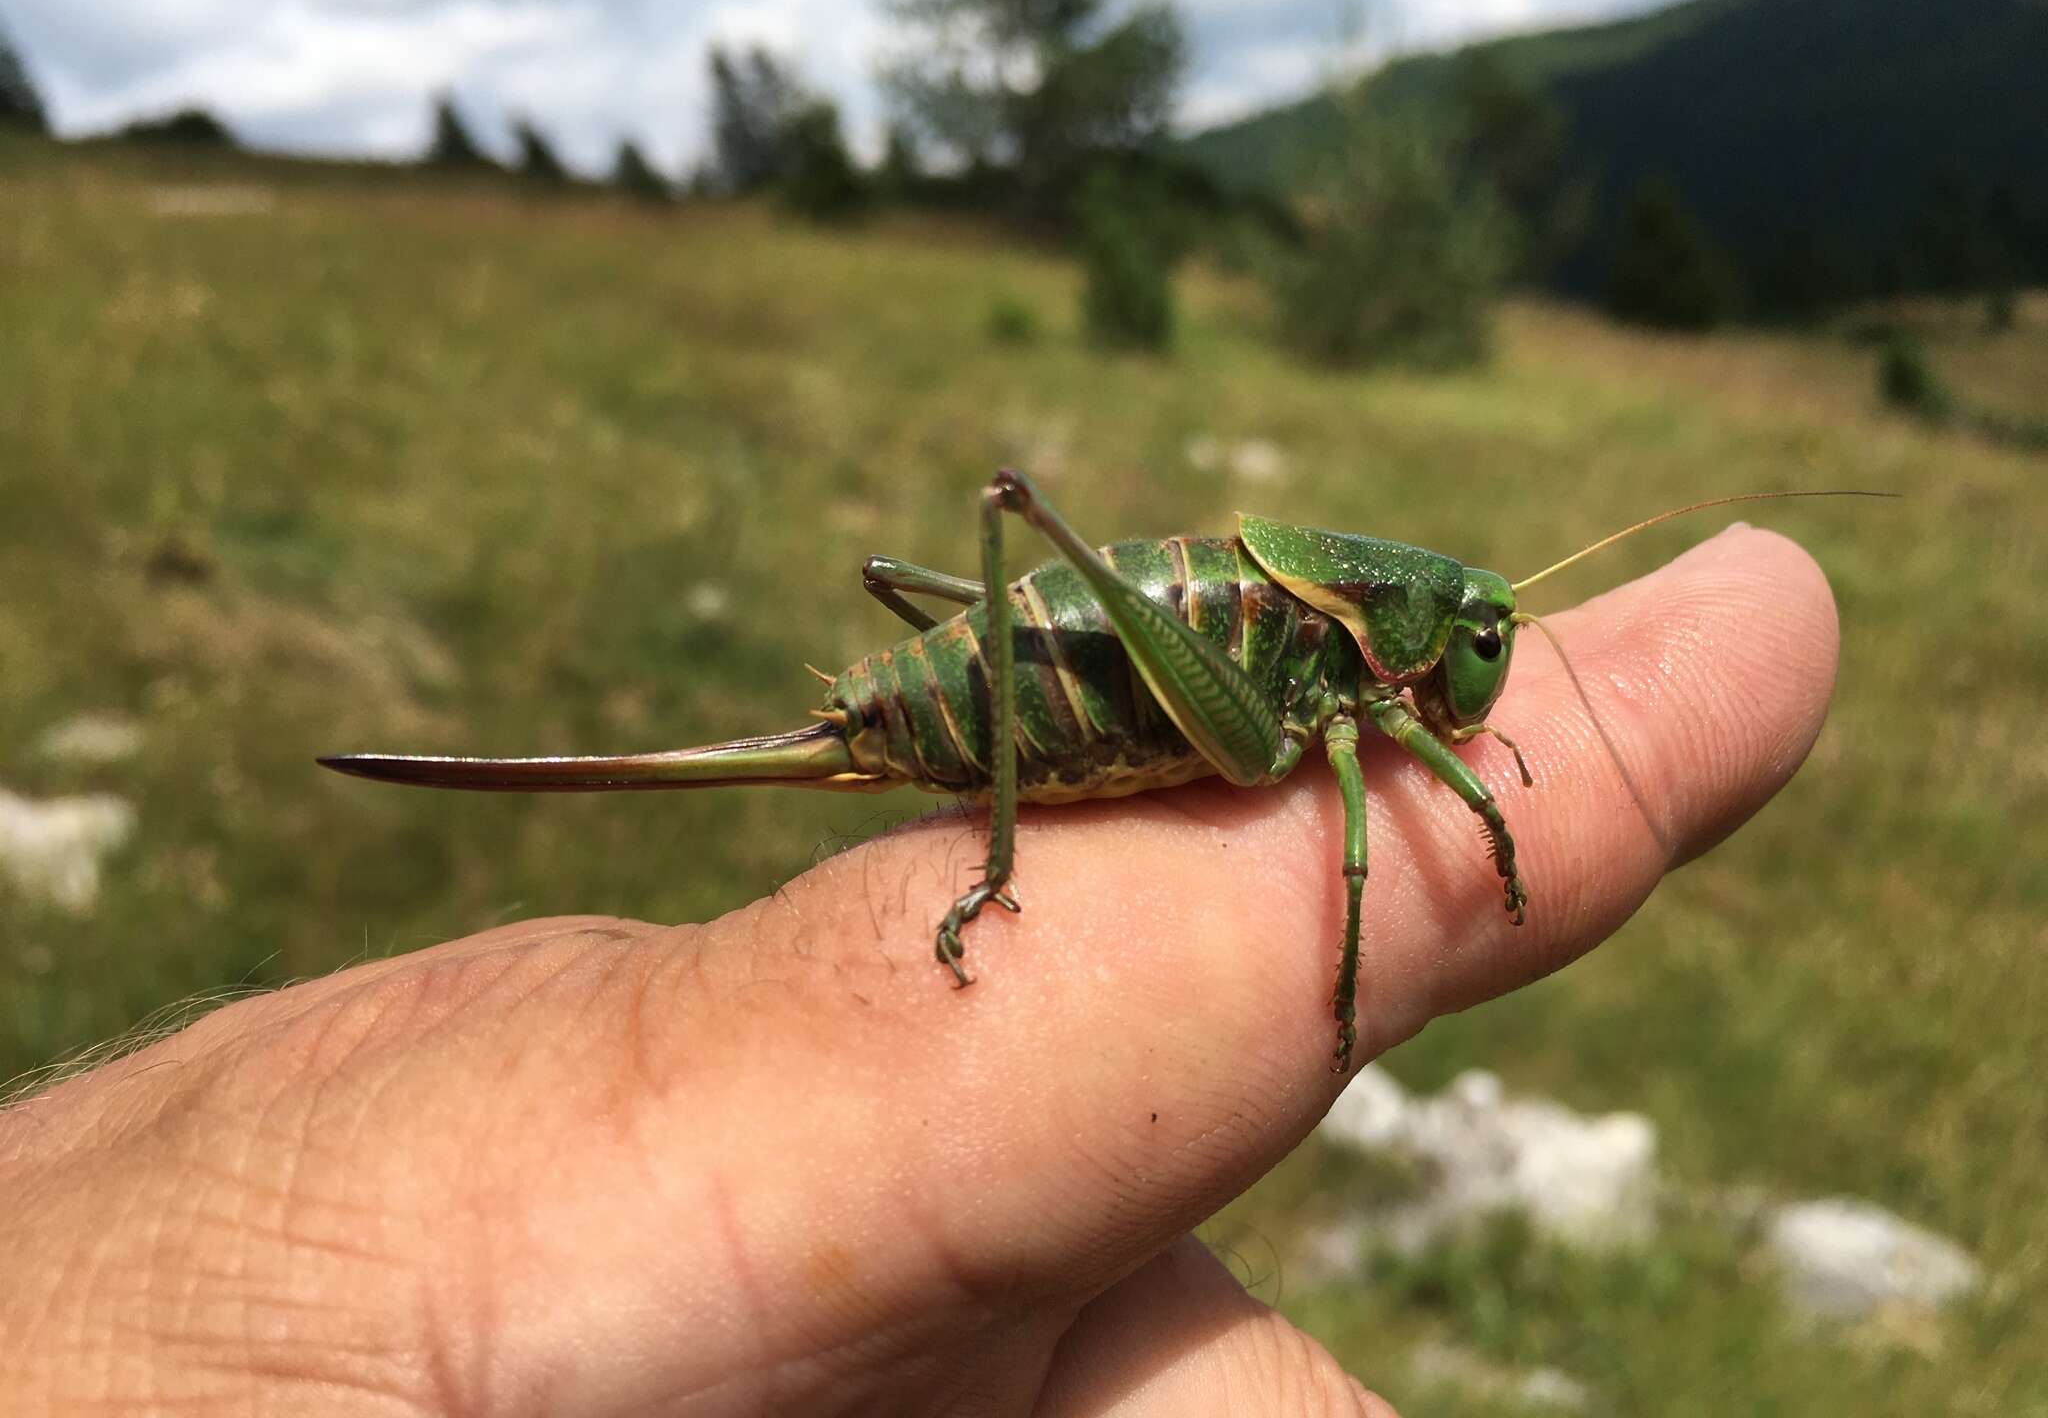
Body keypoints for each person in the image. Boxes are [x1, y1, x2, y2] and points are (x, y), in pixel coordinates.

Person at [0, 527, 1837, 1415]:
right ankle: (999, 842)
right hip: (1087, 666)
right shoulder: (1332, 679)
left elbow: (1382, 740)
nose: (1471, 669)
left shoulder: (1375, 651)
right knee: (1305, 751)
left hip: (1130, 651)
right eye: (1468, 645)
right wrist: (1477, 834)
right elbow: (1358, 790)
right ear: (1403, 625)